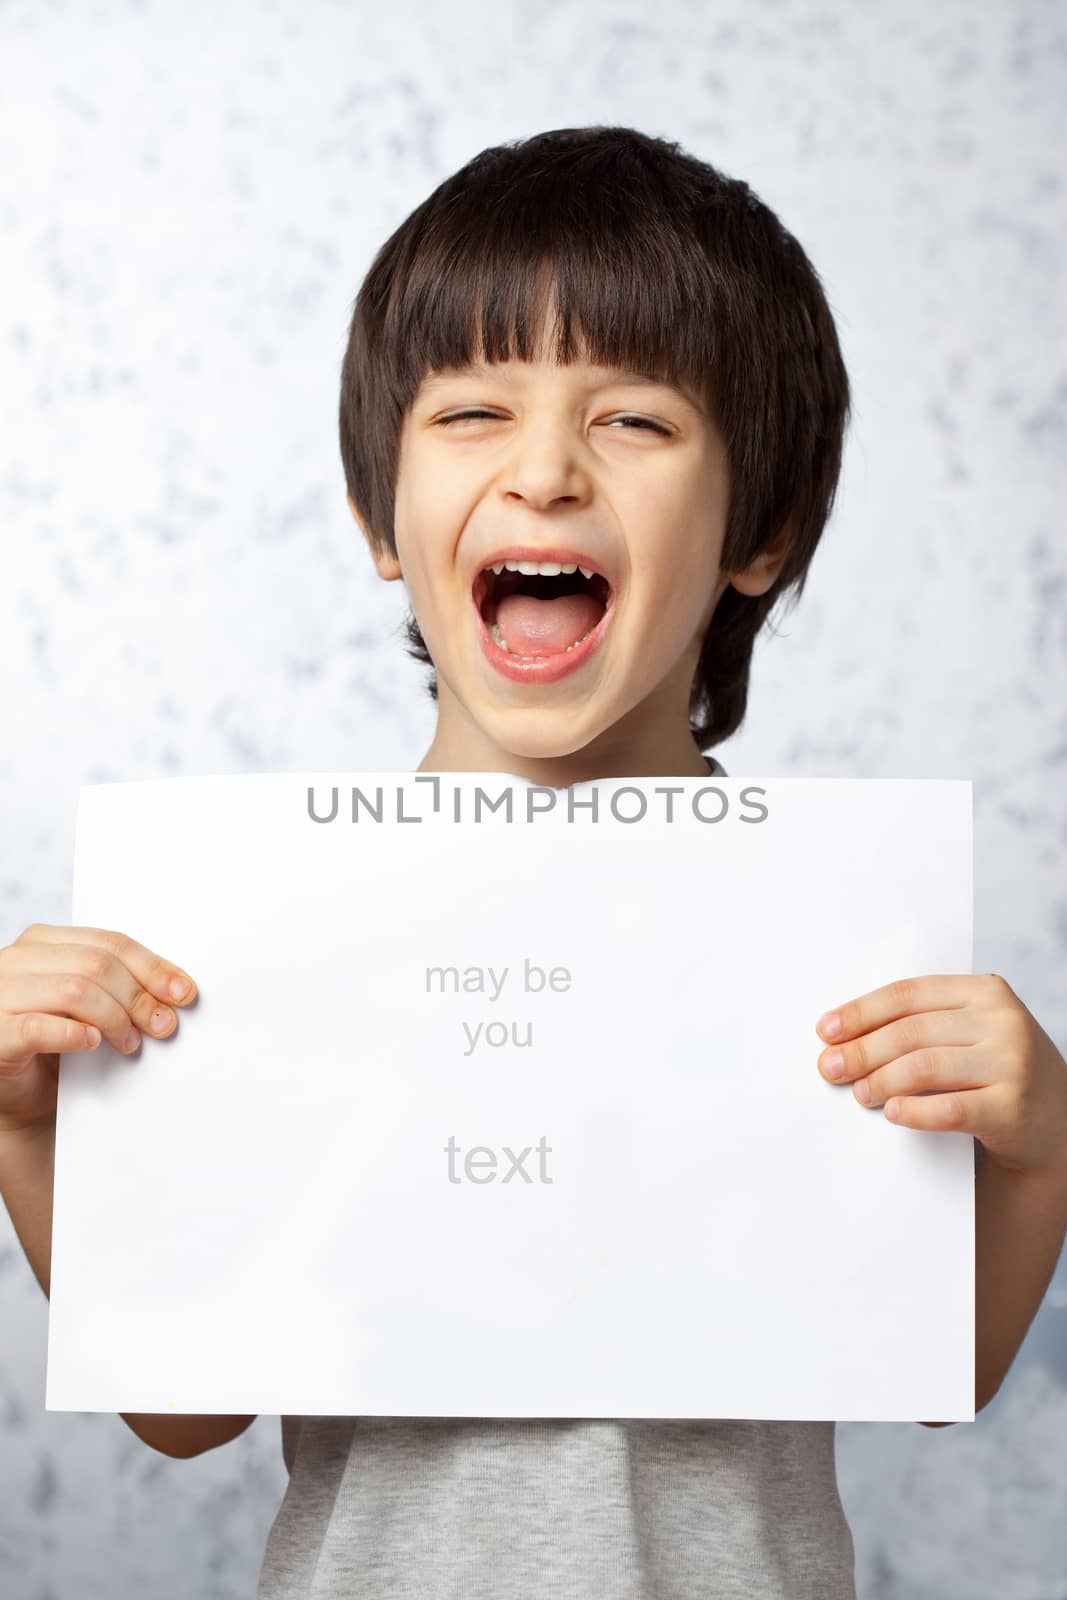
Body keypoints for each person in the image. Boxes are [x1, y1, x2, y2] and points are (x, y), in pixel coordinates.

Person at [0, 123, 983, 1599]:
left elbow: (933, 1373)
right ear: (376, 511)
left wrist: (1031, 1145)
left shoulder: (829, 933)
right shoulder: (271, 933)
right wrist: (29, 1118)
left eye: (635, 421)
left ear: (761, 530)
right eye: (470, 412)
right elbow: (182, 1406)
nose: (543, 474)